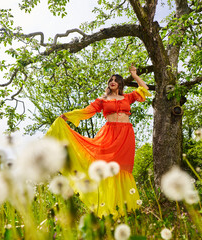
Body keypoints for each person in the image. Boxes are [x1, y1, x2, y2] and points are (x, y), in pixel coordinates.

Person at [46, 64, 151, 218]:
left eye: (115, 80)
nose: (112, 82)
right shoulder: (103, 99)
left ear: (120, 84)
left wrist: (134, 75)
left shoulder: (128, 97)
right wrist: (68, 116)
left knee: (123, 168)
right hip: (109, 134)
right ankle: (106, 208)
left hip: (126, 134)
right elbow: (87, 111)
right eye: (110, 80)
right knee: (106, 166)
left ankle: (127, 208)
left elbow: (145, 89)